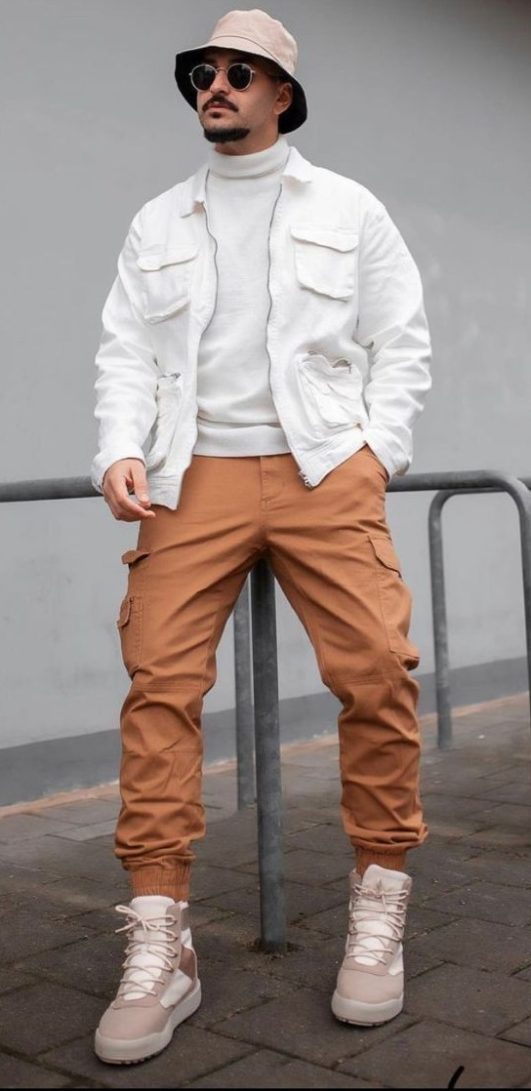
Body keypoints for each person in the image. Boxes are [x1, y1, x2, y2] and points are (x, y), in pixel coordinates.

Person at [91, 8, 431, 1066]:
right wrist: (119, 447)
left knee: (376, 670)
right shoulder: (159, 219)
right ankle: (162, 940)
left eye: (241, 73)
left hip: (323, 468)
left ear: (282, 94)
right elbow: (125, 349)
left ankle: (379, 900)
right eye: (204, 71)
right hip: (191, 474)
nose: (217, 85)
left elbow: (401, 340)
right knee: (159, 684)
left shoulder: (349, 207)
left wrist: (378, 453)